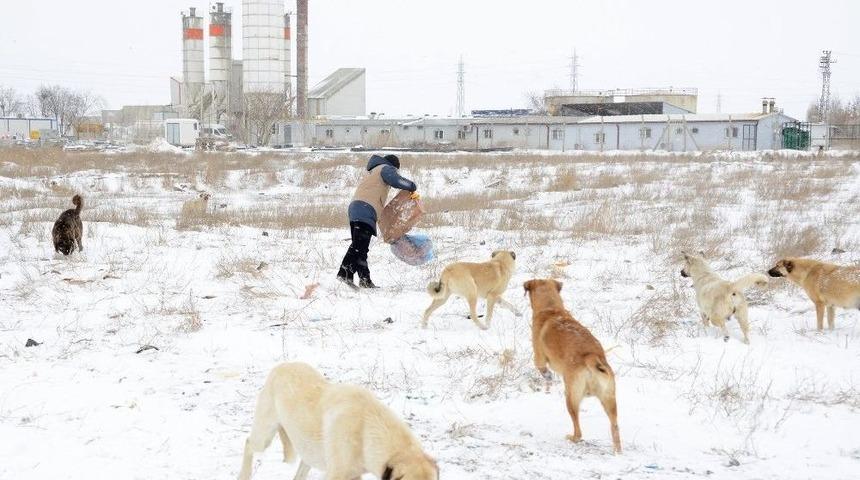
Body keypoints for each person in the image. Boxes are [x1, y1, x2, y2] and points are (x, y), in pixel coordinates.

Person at [337, 154, 417, 289]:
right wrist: (411, 186)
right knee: (359, 246)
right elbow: (396, 180)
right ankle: (345, 273)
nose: (395, 172)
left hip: (358, 207)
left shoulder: (375, 170)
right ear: (394, 166)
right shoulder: (386, 168)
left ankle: (365, 280)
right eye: (396, 169)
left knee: (361, 247)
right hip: (365, 208)